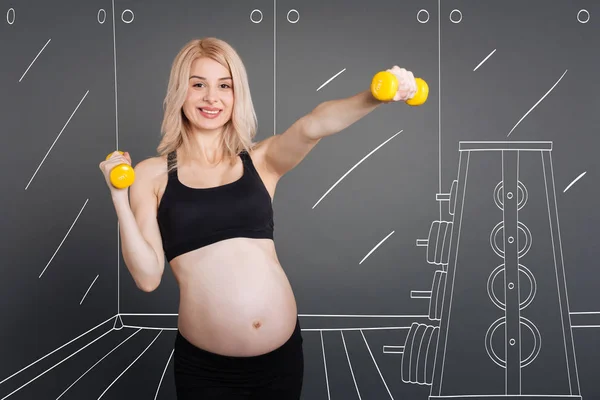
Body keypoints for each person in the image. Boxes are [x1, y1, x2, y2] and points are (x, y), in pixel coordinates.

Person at [99, 37, 417, 399]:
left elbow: (314, 125)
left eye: (224, 86)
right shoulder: (151, 175)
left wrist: (376, 96)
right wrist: (118, 197)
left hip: (280, 362)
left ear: (238, 95)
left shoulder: (261, 161)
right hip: (206, 370)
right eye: (198, 84)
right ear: (179, 92)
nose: (211, 98)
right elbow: (147, 277)